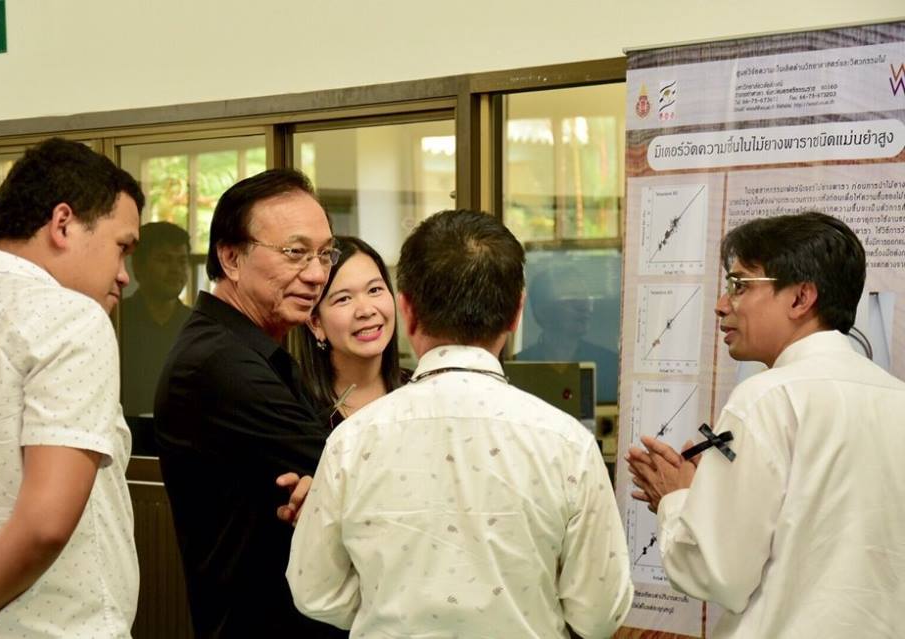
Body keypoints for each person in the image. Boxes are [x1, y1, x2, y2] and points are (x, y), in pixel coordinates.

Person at [288, 209, 633, 638]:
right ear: (517, 312)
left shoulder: (352, 441)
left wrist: (388, 607)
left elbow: (315, 592)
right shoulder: (567, 444)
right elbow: (600, 613)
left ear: (406, 309)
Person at [626, 212, 905, 638]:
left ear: (800, 298)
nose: (722, 304)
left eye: (740, 285)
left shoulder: (765, 398)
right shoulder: (895, 396)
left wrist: (676, 498)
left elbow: (718, 573)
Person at [0, 138, 143, 638]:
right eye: (122, 247)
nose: (124, 276)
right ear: (63, 223)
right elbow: (45, 524)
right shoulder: (70, 318)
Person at [153, 169, 348, 638]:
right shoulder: (219, 364)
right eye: (295, 253)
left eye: (325, 254)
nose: (317, 274)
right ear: (231, 257)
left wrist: (324, 487)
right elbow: (352, 474)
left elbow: (336, 475)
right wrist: (331, 484)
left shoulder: (249, 347)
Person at [291, 236, 406, 427]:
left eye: (374, 290)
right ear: (315, 323)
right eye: (343, 299)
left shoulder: (423, 390)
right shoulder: (296, 408)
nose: (366, 311)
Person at [516, 267, 620, 403]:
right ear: (542, 311)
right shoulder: (517, 368)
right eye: (572, 299)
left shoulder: (610, 365)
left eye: (587, 298)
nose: (586, 307)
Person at [120, 221, 191, 416]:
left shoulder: (198, 326)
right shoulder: (118, 321)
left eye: (182, 261)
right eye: (164, 260)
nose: (176, 269)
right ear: (138, 267)